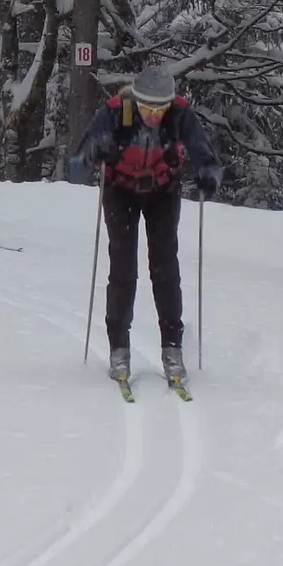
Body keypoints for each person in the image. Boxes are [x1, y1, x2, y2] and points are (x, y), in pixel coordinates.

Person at [70, 63, 224, 385]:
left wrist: (208, 174)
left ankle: (172, 348)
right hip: (120, 190)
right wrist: (92, 155)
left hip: (162, 191)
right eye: (147, 108)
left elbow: (203, 152)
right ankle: (119, 348)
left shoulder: (179, 114)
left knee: (165, 268)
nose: (153, 115)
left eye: (160, 108)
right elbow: (78, 163)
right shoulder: (115, 112)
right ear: (136, 100)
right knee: (123, 269)